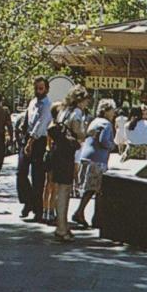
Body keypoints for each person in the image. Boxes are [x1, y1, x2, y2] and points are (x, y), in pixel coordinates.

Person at [72, 99, 116, 229]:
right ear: (106, 111)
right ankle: (82, 213)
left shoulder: (94, 122)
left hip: (86, 157)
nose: (114, 113)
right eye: (112, 111)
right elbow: (103, 141)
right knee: (95, 189)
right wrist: (112, 146)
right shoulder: (107, 124)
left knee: (91, 188)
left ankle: (93, 216)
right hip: (98, 159)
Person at [46, 101, 83, 240]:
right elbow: (80, 137)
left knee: (58, 189)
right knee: (63, 190)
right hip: (65, 158)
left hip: (57, 156)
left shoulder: (56, 130)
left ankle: (61, 224)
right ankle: (61, 227)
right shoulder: (65, 130)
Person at [17, 77, 52, 221]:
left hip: (39, 141)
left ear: (46, 89)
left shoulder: (47, 105)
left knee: (38, 176)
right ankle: (28, 201)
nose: (38, 91)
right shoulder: (32, 102)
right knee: (21, 172)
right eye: (36, 88)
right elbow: (28, 119)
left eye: (41, 88)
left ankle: (38, 208)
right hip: (27, 138)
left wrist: (31, 141)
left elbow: (41, 124)